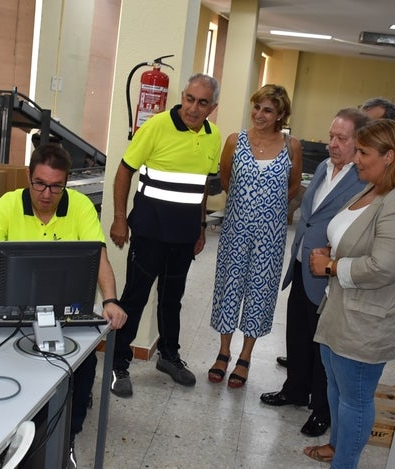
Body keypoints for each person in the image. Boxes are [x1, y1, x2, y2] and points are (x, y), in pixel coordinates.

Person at [0, 143, 128, 469]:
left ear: (66, 183)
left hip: (65, 311)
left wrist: (110, 300)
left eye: (56, 186)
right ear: (29, 178)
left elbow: (98, 258)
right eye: (40, 183)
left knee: (80, 368)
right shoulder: (9, 203)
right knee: (1, 370)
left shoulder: (81, 206)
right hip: (15, 308)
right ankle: (4, 439)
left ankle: (67, 438)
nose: (46, 193)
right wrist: (1, 278)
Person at [304, 119, 395, 467]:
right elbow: (358, 234)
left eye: (363, 152)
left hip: (369, 318)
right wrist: (332, 252)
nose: (356, 159)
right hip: (343, 309)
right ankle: (337, 447)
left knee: (355, 397)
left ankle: (345, 463)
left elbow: (383, 267)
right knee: (336, 387)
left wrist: (330, 267)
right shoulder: (376, 186)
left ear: (389, 155)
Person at [109, 73, 222, 397]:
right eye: (189, 99)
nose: (193, 108)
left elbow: (201, 186)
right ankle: (119, 363)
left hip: (184, 235)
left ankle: (169, 357)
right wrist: (120, 218)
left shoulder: (213, 137)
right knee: (135, 297)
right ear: (182, 96)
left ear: (212, 107)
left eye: (202, 103)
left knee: (172, 300)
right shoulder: (156, 125)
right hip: (148, 231)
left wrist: (200, 228)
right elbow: (124, 170)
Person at [260, 108, 368, 437]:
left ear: (358, 141)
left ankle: (321, 410)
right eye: (331, 136)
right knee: (297, 333)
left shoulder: (363, 178)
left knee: (323, 344)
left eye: (342, 138)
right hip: (302, 262)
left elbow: (360, 226)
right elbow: (309, 215)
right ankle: (295, 389)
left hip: (328, 270)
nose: (332, 144)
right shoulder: (322, 167)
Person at [207, 84, 302, 389]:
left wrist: (269, 206)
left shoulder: (292, 146)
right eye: (257, 107)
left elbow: (293, 186)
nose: (260, 115)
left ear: (280, 115)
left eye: (268, 110)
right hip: (235, 230)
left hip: (270, 236)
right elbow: (225, 179)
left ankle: (245, 356)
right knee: (229, 289)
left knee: (260, 294)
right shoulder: (236, 141)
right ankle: (223, 352)